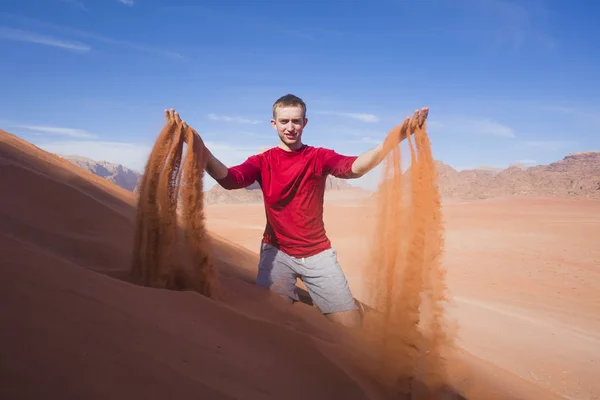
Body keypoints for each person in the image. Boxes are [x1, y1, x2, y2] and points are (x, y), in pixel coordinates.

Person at [166, 94, 428, 330]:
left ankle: (346, 305)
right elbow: (230, 179)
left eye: (296, 121)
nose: (290, 127)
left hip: (318, 254)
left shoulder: (318, 157)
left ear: (305, 123)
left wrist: (392, 142)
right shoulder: (263, 161)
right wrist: (200, 148)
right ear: (274, 124)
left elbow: (354, 167)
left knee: (350, 329)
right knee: (269, 321)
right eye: (284, 121)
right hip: (276, 254)